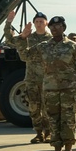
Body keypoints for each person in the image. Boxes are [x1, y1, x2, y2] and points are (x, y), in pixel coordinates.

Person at [18, 16, 76, 151]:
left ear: (63, 28)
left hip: (70, 90)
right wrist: (22, 38)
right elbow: (26, 56)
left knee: (68, 120)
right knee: (53, 120)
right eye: (52, 27)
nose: (55, 29)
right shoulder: (43, 46)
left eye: (58, 26)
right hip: (50, 90)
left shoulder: (73, 47)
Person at [5, 9, 53, 143]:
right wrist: (9, 22)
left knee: (47, 107)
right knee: (33, 107)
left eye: (41, 22)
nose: (39, 24)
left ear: (46, 23)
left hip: (47, 79)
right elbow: (9, 40)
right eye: (36, 22)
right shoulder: (28, 38)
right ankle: (38, 133)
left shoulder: (51, 39)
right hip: (32, 78)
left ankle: (48, 132)